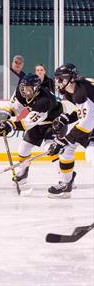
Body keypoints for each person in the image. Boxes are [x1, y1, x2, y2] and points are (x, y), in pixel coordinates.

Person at [0, 73, 63, 186]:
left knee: (50, 147)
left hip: (55, 122)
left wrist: (10, 125)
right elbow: (14, 107)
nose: (25, 91)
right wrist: (3, 117)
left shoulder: (44, 100)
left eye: (28, 89)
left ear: (36, 88)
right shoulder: (20, 92)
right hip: (38, 121)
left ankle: (66, 177)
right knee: (23, 148)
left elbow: (28, 123)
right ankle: (23, 173)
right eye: (23, 88)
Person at [46, 63, 94, 198]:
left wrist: (65, 139)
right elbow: (83, 113)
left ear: (71, 79)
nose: (58, 82)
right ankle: (66, 184)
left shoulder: (82, 90)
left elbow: (89, 121)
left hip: (92, 123)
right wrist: (66, 118)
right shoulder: (71, 92)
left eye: (61, 79)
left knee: (91, 154)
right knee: (67, 149)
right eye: (57, 79)